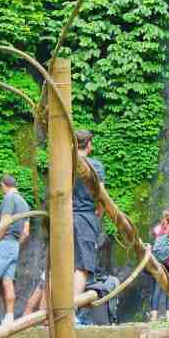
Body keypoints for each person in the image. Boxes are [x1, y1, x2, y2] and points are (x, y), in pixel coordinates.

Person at [0, 174, 30, 328]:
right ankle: (9, 319)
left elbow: (5, 222)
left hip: (2, 243)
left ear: (3, 185)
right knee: (8, 282)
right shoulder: (24, 203)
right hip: (14, 245)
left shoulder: (9, 198)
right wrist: (14, 244)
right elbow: (26, 232)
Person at [73, 130, 106, 325]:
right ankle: (71, 311)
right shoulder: (94, 166)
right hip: (85, 216)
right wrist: (99, 213)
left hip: (63, 217)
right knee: (82, 266)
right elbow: (101, 195)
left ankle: (53, 310)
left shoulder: (64, 163)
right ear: (89, 145)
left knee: (64, 265)